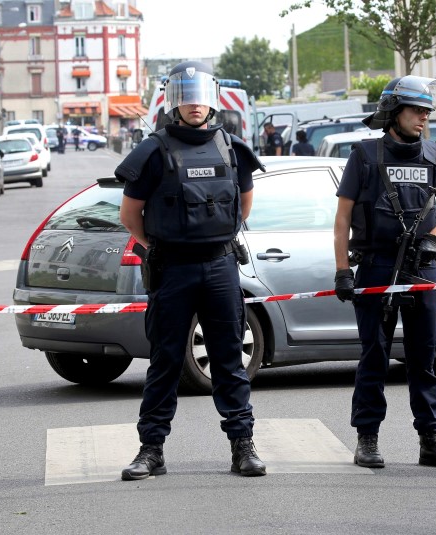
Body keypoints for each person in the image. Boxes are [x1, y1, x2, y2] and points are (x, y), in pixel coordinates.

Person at [116, 60, 267, 480]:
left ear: (211, 99)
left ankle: (243, 447)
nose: (194, 105)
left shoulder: (232, 147)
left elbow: (244, 203)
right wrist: (159, 247)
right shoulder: (152, 150)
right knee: (165, 360)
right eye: (186, 97)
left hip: (220, 265)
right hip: (174, 268)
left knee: (228, 360)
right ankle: (151, 450)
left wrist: (220, 236)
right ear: (173, 102)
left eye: (200, 96)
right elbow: (130, 215)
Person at [333, 76, 436, 470]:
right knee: (374, 356)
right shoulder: (365, 155)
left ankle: (430, 440)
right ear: (393, 112)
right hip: (376, 266)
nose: (424, 118)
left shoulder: (432, 154)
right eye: (416, 110)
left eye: (427, 111)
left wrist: (435, 239)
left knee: (424, 358)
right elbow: (342, 219)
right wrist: (342, 270)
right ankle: (367, 439)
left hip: (422, 268)